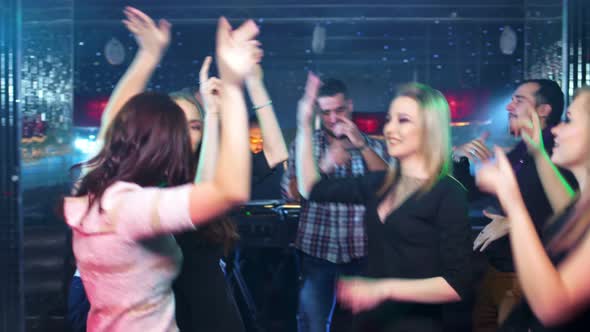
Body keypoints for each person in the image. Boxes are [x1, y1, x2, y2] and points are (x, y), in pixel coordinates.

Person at [62, 12, 261, 332]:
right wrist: (234, 86)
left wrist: (148, 54)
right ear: (163, 145)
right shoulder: (132, 209)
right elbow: (228, 190)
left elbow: (113, 122)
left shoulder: (95, 191)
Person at [296, 78, 472, 332]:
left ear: (429, 129)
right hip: (371, 322)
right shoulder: (381, 183)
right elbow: (310, 188)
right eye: (389, 119)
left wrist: (383, 289)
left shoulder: (448, 192)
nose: (389, 129)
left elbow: (458, 284)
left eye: (403, 120)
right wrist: (303, 123)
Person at [453, 79, 577, 331]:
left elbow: (569, 218)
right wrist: (460, 160)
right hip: (498, 269)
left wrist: (516, 221)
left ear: (544, 110)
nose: (509, 106)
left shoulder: (559, 153)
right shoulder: (522, 150)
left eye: (519, 100)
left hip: (526, 275)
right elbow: (471, 194)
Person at [281, 74, 389, 332]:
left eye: (339, 110)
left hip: (362, 251)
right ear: (319, 111)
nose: (333, 118)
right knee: (313, 325)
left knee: (365, 325)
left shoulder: (370, 144)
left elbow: (389, 185)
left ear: (350, 106)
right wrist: (325, 166)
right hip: (318, 251)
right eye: (326, 111)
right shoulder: (305, 144)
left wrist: (361, 146)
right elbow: (291, 193)